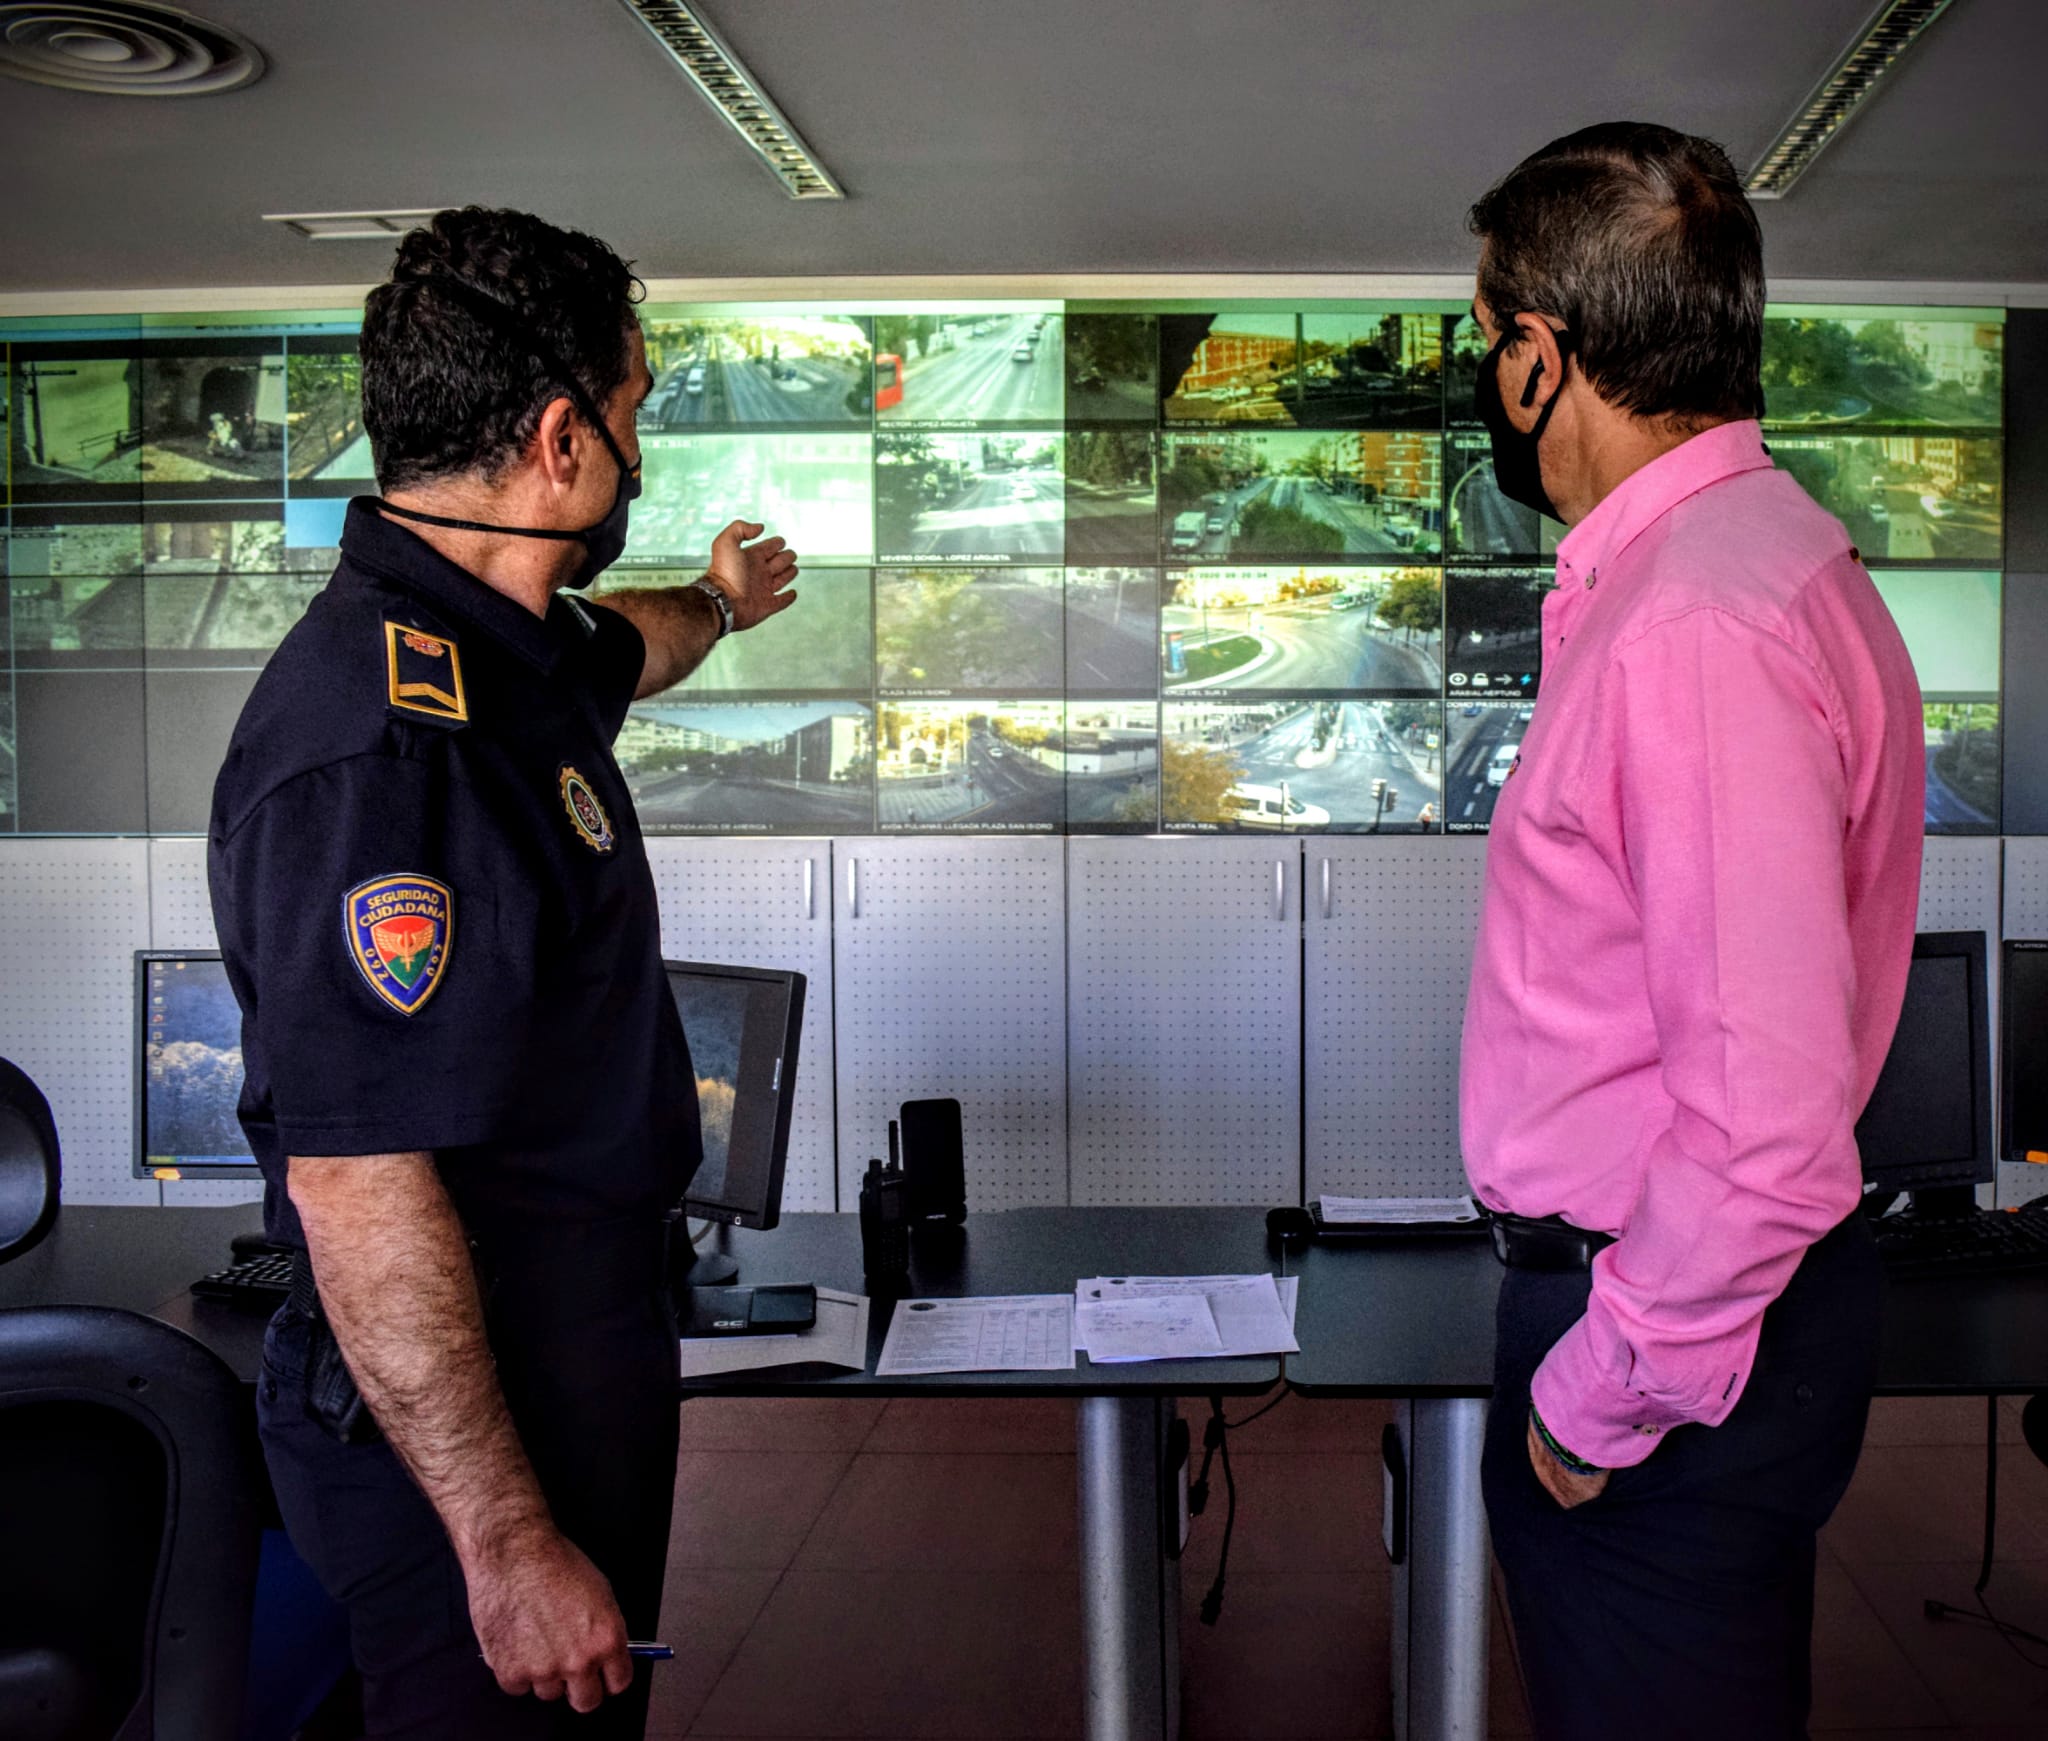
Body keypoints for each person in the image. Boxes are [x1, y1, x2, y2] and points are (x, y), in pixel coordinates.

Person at [208, 206, 798, 1739]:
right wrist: (508, 1541)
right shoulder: (381, 749)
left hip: (570, 1349)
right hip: (470, 1408)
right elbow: (359, 1180)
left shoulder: (505, 653)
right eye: (635, 409)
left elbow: (636, 641)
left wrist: (724, 604)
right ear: (557, 440)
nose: (639, 447)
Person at [1458, 124, 1924, 1739]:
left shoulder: (1698, 623)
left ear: (1542, 357)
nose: (1486, 373)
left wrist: (1603, 1394)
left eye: (1485, 336)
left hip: (1661, 1343)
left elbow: (1763, 1128)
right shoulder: (1754, 561)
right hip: (1700, 1320)